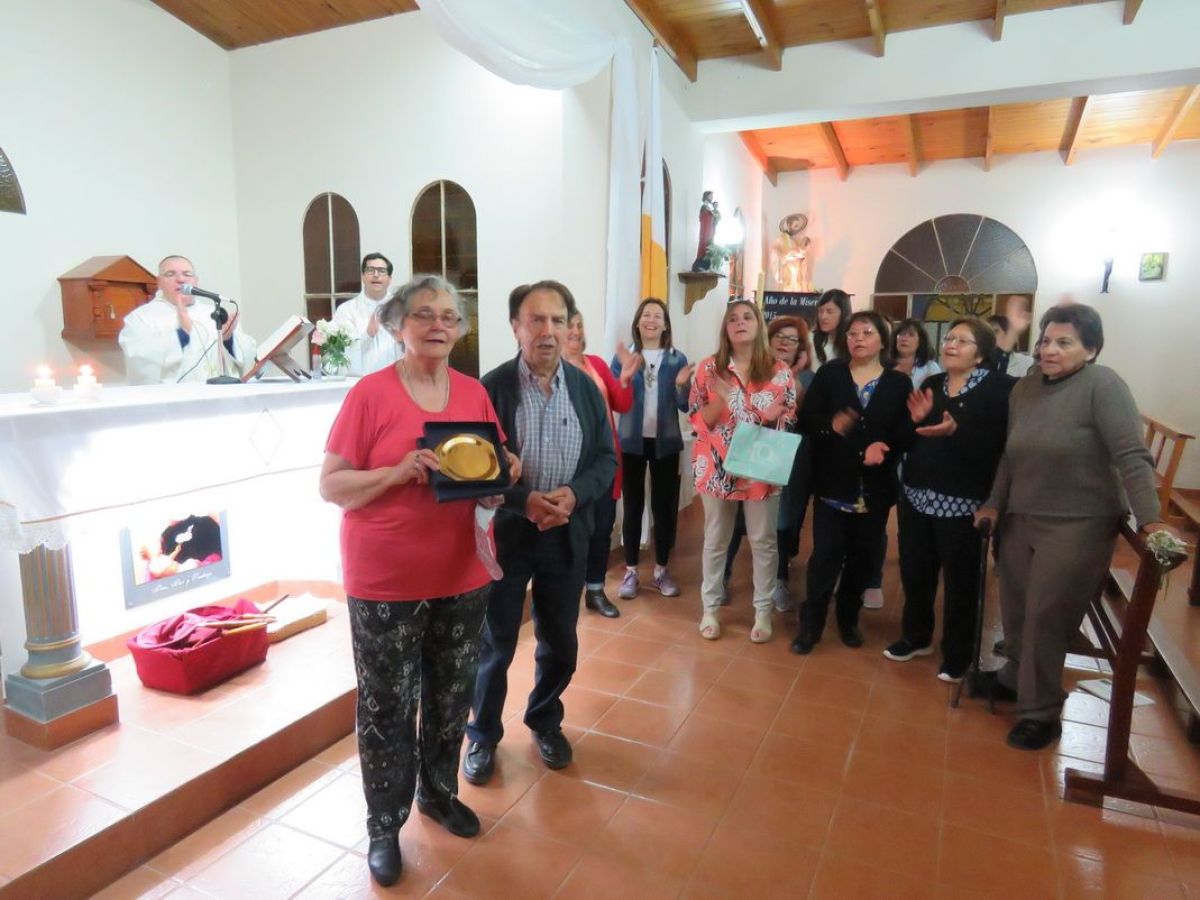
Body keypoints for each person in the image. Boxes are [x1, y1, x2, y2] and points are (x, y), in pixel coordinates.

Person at [319, 274, 519, 887]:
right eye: (425, 314)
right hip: (386, 579)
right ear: (398, 324)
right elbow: (331, 484)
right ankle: (384, 824)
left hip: (463, 571)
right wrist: (396, 472)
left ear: (460, 329)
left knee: (451, 694)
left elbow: (493, 463)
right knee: (385, 705)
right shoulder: (370, 396)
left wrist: (508, 467)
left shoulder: (471, 393)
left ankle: (437, 793)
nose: (438, 325)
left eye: (449, 317)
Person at [971, 304, 1163, 750]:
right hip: (1021, 516)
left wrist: (1151, 519)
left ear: (1091, 349)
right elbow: (1009, 455)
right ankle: (1013, 678)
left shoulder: (1104, 386)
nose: (1049, 350)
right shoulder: (1026, 389)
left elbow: (1131, 455)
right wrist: (994, 504)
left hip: (1079, 522)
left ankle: (1041, 711)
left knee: (1047, 615)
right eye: (1044, 341)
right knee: (1017, 606)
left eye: (1064, 342)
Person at [464, 280, 617, 784]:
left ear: (569, 327)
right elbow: (476, 470)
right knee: (496, 643)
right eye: (536, 320)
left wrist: (573, 496)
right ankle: (482, 735)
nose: (548, 331)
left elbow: (604, 459)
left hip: (566, 533)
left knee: (560, 640)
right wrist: (521, 500)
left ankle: (544, 720)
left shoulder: (585, 390)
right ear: (515, 327)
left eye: (557, 320)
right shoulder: (490, 389)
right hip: (509, 536)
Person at [883, 317, 1014, 682]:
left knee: (961, 579)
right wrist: (914, 422)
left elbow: (998, 447)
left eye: (963, 341)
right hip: (917, 494)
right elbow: (915, 437)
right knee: (916, 570)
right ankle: (916, 635)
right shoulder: (932, 383)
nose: (951, 344)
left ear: (981, 354)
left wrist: (958, 431)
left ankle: (958, 654)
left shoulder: (1000, 389)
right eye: (950, 338)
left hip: (963, 500)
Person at [792, 311, 913, 655]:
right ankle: (810, 627)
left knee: (862, 559)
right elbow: (806, 421)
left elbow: (904, 435)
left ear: (882, 340)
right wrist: (832, 424)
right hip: (832, 484)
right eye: (853, 333)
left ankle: (848, 620)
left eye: (867, 332)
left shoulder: (897, 382)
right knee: (825, 557)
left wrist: (884, 446)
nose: (858, 338)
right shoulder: (831, 374)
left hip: (874, 488)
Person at [689, 300, 797, 643]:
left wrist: (762, 416)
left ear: (759, 325)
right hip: (717, 466)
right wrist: (720, 402)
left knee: (763, 541)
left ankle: (762, 612)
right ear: (725, 328)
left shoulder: (779, 370)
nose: (740, 322)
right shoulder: (708, 369)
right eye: (732, 318)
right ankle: (710, 608)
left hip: (761, 468)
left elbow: (787, 419)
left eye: (747, 317)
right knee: (716, 539)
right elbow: (697, 420)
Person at [724, 315, 814, 612]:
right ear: (768, 338)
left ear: (802, 347)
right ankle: (723, 577)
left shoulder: (809, 377)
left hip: (786, 459)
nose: (785, 343)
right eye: (780, 337)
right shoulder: (753, 370)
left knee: (782, 522)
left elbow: (806, 419)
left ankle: (779, 580)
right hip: (748, 454)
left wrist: (795, 376)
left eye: (793, 339)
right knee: (737, 520)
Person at [857, 317, 943, 611]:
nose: (904, 340)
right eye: (900, 335)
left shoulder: (930, 372)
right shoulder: (884, 368)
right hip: (879, 449)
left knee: (882, 513)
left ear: (921, 340)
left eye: (910, 335)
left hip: (913, 446)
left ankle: (873, 579)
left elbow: (926, 414)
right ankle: (855, 573)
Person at [613, 298, 693, 601]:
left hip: (666, 443)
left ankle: (661, 570)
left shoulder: (676, 358)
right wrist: (622, 376)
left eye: (658, 316)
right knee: (633, 506)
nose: (651, 320)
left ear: (665, 324)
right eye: (646, 315)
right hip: (631, 442)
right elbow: (613, 396)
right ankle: (631, 571)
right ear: (637, 322)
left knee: (664, 507)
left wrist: (683, 386)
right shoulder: (623, 357)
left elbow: (685, 405)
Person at [563, 310, 637, 618]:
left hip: (605, 463)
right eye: (569, 324)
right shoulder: (550, 368)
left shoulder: (596, 364)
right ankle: (566, 593)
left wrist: (625, 379)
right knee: (569, 533)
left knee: (601, 528)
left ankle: (595, 590)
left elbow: (622, 404)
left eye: (580, 324)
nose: (576, 331)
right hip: (569, 467)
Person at [119, 255, 257, 384]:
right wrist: (182, 334)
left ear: (196, 281)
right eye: (170, 274)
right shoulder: (142, 317)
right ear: (159, 282)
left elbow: (249, 358)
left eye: (187, 274)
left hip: (219, 398)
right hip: (174, 403)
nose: (180, 279)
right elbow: (140, 360)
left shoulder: (214, 313)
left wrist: (228, 340)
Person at [331, 252, 404, 375]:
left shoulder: (402, 309)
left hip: (397, 379)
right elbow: (342, 355)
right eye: (370, 270)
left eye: (381, 271)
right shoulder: (347, 310)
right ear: (363, 276)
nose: (376, 275)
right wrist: (368, 335)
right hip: (361, 382)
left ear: (389, 279)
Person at [810, 288, 851, 369]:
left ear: (844, 313)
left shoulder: (852, 341)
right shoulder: (809, 340)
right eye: (820, 311)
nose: (823, 317)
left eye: (830, 312)